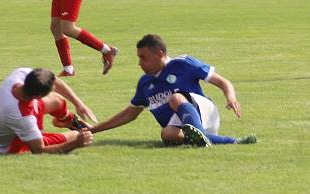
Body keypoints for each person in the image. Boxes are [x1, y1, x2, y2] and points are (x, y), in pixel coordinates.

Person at [89, 34, 256, 147]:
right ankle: (227, 142)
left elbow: (222, 81)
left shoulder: (182, 63)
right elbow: (129, 114)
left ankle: (208, 135)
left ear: (160, 54)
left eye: (143, 58)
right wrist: (93, 130)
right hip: (182, 127)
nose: (139, 63)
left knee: (175, 98)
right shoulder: (145, 83)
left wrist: (231, 98)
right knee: (167, 134)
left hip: (205, 114)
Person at [0, 67, 95, 154]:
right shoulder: (23, 117)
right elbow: (39, 150)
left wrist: (79, 104)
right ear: (38, 96)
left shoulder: (19, 74)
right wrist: (75, 144)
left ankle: (68, 121)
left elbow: (54, 80)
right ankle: (73, 131)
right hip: (7, 145)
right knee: (76, 135)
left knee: (56, 100)